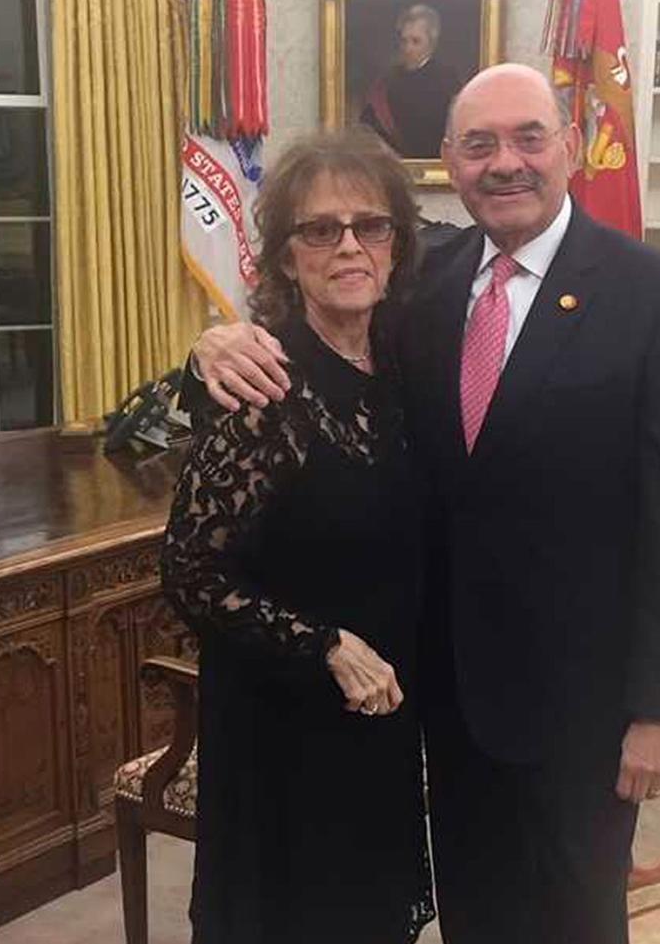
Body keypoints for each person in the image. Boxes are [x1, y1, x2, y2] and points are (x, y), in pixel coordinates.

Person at [190, 63, 660, 943]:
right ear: (448, 159)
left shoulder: (659, 295)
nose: (505, 162)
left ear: (569, 147)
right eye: (479, 144)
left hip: (580, 711)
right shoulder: (425, 284)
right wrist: (211, 347)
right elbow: (308, 336)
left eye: (528, 137)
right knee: (474, 912)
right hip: (441, 697)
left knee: (573, 918)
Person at [159, 128, 435, 944]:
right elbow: (189, 571)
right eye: (320, 229)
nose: (348, 245)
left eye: (369, 225)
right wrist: (323, 645)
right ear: (285, 258)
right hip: (286, 727)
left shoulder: (402, 364)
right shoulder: (264, 386)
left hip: (381, 718)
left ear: (396, 244)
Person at [359, 4, 462, 158]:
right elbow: (368, 127)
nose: (408, 48)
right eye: (404, 41)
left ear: (431, 43)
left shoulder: (448, 80)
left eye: (415, 41)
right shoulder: (387, 81)